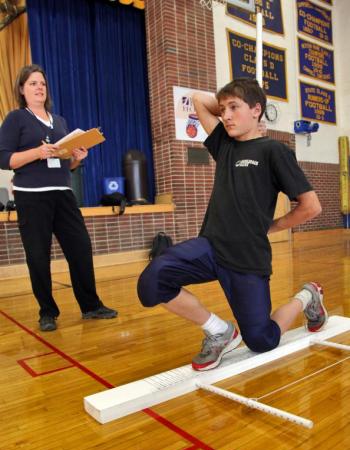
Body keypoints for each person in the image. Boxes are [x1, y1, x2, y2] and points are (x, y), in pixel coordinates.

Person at [137, 77, 327, 371]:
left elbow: (311, 206)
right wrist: (234, 102)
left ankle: (307, 296)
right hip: (211, 247)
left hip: (247, 258)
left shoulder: (273, 151)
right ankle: (219, 331)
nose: (225, 115)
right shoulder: (224, 145)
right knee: (152, 281)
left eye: (233, 108)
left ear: (256, 110)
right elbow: (200, 99)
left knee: (262, 340)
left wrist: (272, 226)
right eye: (223, 109)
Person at [0, 64, 117, 331]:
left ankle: (90, 306)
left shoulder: (60, 121)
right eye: (32, 83)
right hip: (32, 197)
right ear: (21, 89)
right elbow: (4, 159)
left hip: (63, 195)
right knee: (38, 256)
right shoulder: (16, 119)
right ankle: (47, 312)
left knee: (80, 249)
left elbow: (65, 165)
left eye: (42, 83)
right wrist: (37, 153)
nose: (39, 87)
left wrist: (76, 159)